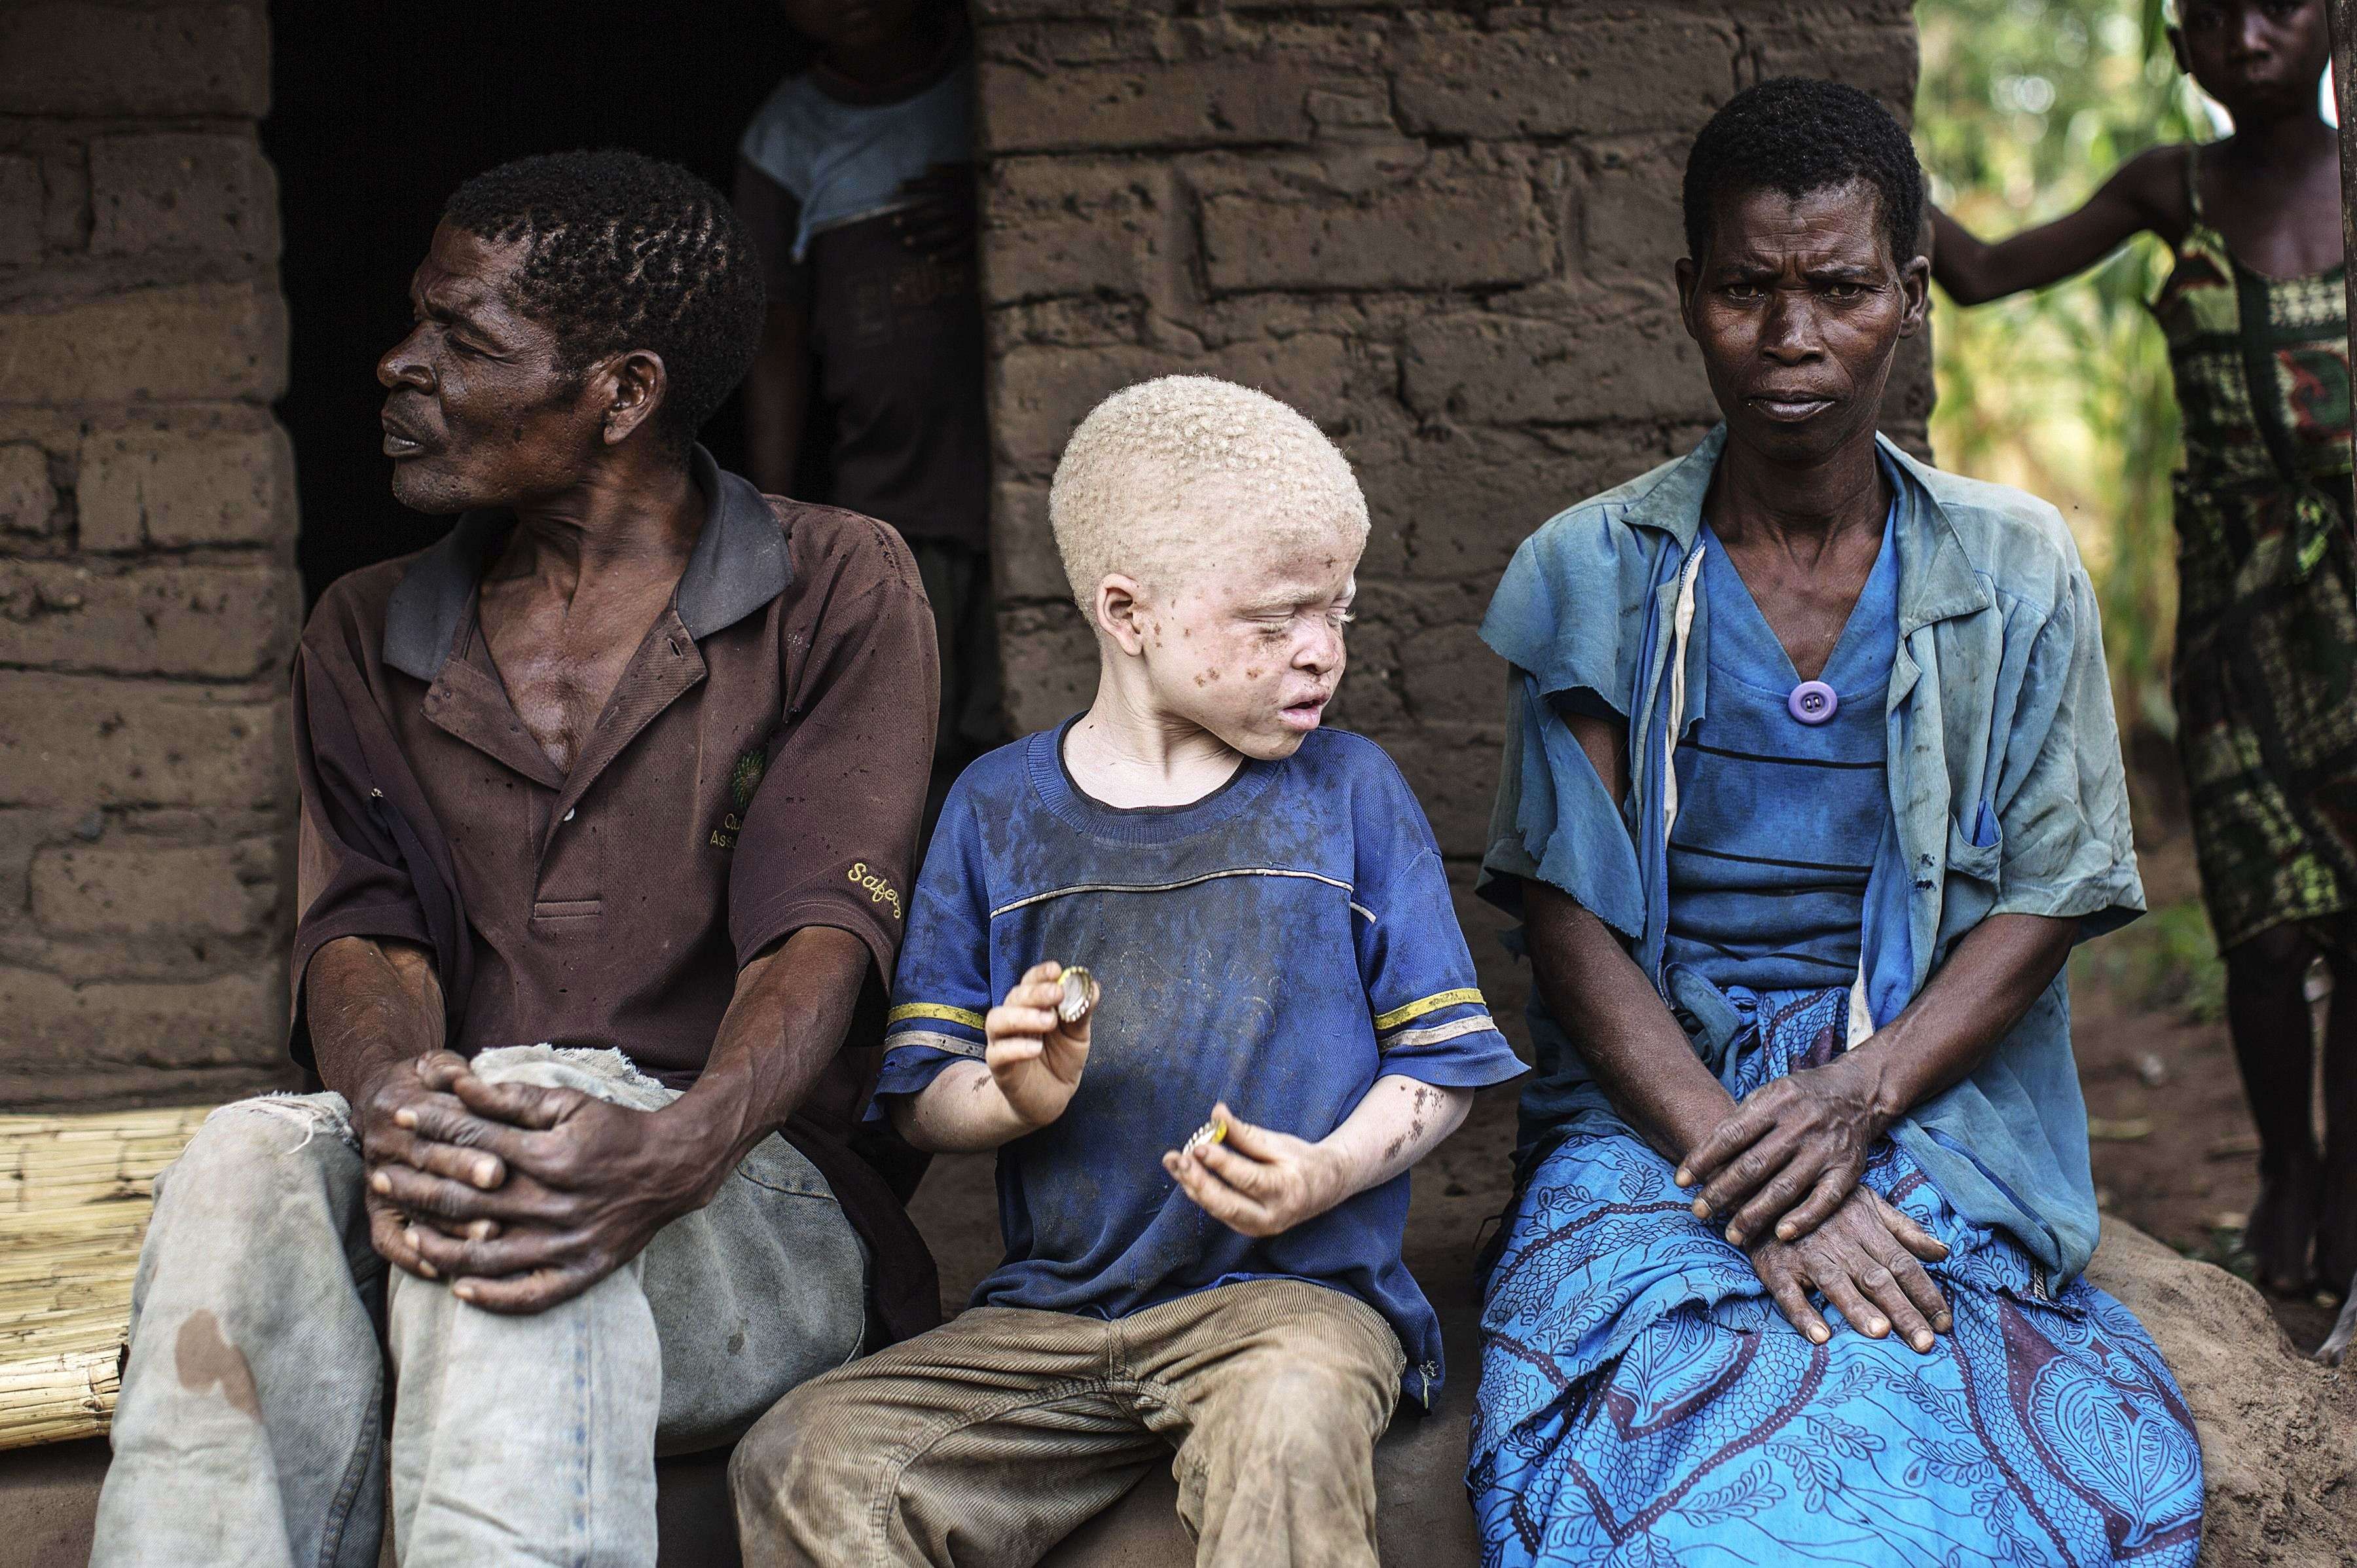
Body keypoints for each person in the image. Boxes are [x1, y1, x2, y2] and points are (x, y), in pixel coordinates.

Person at [89, 151, 941, 1568]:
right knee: (247, 1154)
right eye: (419, 324)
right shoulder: (366, 629)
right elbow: (369, 939)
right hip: (470, 1188)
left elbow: (818, 939)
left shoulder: (837, 584)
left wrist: (674, 1146)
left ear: (623, 392)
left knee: (523, 1134)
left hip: (746, 1200)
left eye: (465, 342)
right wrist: (389, 1100)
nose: (399, 365)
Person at [1468, 80, 2205, 1565]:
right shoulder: (1592, 572)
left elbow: (2050, 891)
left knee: (1963, 1413)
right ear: (1688, 297)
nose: (1792, 338)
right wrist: (1746, 1171)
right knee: (1675, 1448)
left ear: (1912, 297)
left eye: (1840, 289)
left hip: (1932, 1094)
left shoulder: (2013, 568)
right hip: (1661, 1111)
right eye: (1747, 290)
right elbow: (1568, 919)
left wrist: (1858, 1100)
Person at [727, 376, 1528, 1567]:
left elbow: (1442, 1062)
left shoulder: (1351, 797)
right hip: (1051, 1322)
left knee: (1292, 1413)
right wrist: (1012, 1096)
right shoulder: (996, 811)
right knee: (807, 1454)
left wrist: (1327, 1171)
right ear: (1127, 610)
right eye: (1276, 620)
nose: (1322, 653)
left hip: (1290, 1311)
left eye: (1340, 613)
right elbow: (928, 1092)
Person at [1929, 0, 2357, 1300]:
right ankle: (2288, 1172)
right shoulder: (2178, 191)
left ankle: (2341, 1212)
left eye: (2279, 4)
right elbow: (1988, 274)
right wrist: (1875, 156)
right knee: (2267, 936)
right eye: (2214, 18)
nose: (2247, 36)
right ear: (2181, 52)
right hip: (2240, 623)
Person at [735, 0, 1001, 816]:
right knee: (915, 745)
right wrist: (770, 516)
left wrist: (999, 210)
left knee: (1022, 727)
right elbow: (772, 334)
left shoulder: (994, 87)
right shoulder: (786, 137)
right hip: (889, 487)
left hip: (1017, 485)